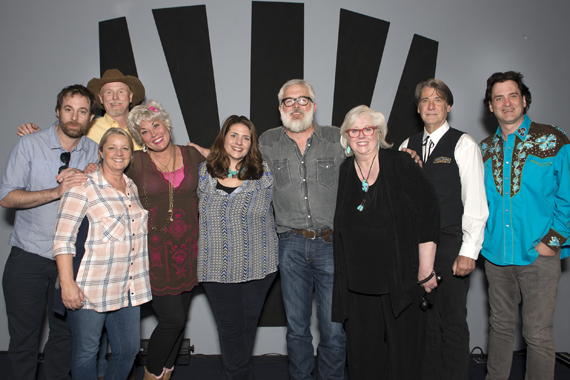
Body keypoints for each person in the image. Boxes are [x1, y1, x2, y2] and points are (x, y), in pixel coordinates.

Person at [332, 105, 440, 379]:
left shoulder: (401, 163)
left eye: (368, 129)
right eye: (354, 130)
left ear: (378, 133)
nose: (361, 135)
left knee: (403, 359)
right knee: (362, 359)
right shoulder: (345, 171)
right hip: (358, 286)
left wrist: (425, 269)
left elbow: (429, 213)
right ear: (346, 137)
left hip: (399, 282)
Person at [0, 84, 100, 380]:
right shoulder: (30, 144)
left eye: (82, 111)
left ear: (91, 117)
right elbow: (7, 197)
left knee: (65, 339)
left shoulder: (94, 152)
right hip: (28, 256)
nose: (74, 117)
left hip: (70, 262)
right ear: (57, 112)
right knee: (23, 341)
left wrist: (96, 177)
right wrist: (57, 191)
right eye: (68, 109)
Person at [479, 71, 570, 380]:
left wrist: (553, 242)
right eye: (498, 98)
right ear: (490, 106)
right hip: (497, 256)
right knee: (500, 329)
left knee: (538, 334)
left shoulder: (554, 139)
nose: (507, 103)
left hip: (538, 256)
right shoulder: (483, 150)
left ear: (525, 100)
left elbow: (568, 196)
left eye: (513, 95)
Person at [399, 79, 488, 380]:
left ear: (448, 107)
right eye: (425, 100)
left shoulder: (464, 144)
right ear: (418, 108)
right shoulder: (405, 147)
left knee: (451, 321)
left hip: (451, 241)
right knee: (422, 320)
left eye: (438, 100)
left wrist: (469, 251)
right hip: (415, 246)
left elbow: (476, 203)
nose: (431, 105)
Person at [258, 79, 346, 380]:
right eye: (289, 101)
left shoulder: (337, 138)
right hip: (290, 246)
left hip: (331, 245)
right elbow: (236, 162)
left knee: (334, 328)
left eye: (303, 100)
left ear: (314, 105)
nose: (296, 106)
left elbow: (370, 155)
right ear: (280, 108)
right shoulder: (266, 142)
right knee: (297, 328)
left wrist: (404, 155)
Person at [53, 127, 151, 380]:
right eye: (112, 147)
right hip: (90, 287)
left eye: (125, 148)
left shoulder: (131, 186)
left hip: (127, 285)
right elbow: (63, 239)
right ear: (101, 152)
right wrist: (67, 284)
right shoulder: (82, 186)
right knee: (87, 352)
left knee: (128, 350)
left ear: (131, 153)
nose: (119, 153)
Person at [126, 100, 205, 380]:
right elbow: (105, 168)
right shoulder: (134, 161)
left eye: (155, 125)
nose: (153, 134)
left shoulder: (193, 154)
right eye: (144, 131)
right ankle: (151, 374)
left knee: (180, 321)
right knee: (172, 320)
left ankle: (163, 375)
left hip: (191, 250)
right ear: (139, 138)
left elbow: (229, 165)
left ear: (167, 124)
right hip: (155, 254)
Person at [197, 115, 279, 380]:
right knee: (231, 330)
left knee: (247, 329)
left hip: (259, 264)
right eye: (234, 135)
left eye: (246, 137)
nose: (239, 142)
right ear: (224, 137)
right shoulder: (202, 172)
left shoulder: (264, 172)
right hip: (216, 267)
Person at [18, 68, 145, 151]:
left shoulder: (144, 128)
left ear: (130, 96)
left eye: (120, 92)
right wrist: (39, 136)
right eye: (109, 92)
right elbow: (62, 139)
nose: (115, 97)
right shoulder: (85, 128)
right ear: (100, 98)